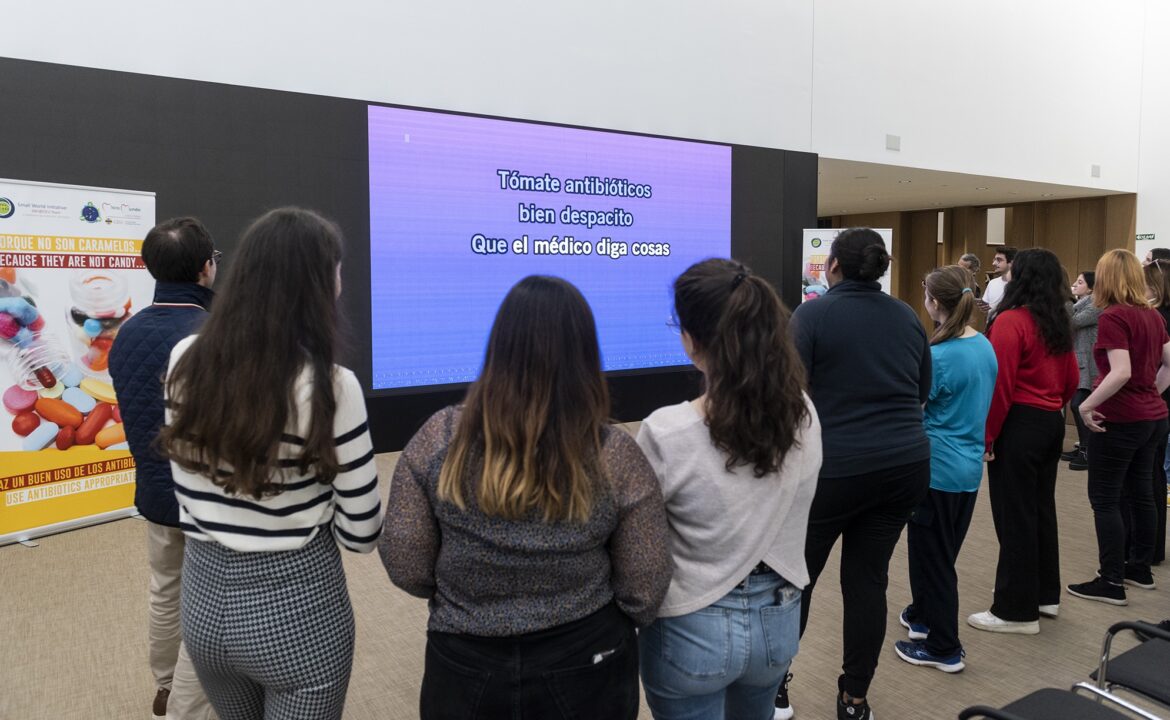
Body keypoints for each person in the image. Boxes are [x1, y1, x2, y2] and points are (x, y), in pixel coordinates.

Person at [381, 276, 671, 720]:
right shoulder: (615, 454)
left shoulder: (438, 438)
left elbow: (405, 561)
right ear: (585, 355)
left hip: (464, 662)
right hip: (588, 661)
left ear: (498, 346)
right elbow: (644, 585)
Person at [159, 208, 384, 719]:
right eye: (337, 269)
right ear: (318, 283)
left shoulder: (183, 358)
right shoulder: (332, 386)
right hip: (299, 613)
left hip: (203, 605)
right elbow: (362, 533)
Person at [635, 259, 822, 720]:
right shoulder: (804, 415)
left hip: (690, 627)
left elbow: (637, 542)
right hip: (778, 622)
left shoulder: (666, 431)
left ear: (692, 340)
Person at [788, 228, 932, 720]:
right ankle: (854, 699)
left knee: (796, 580)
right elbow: (921, 390)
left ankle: (776, 689)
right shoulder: (908, 316)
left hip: (833, 471)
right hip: (903, 466)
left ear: (832, 266)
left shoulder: (812, 314)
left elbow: (787, 398)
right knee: (868, 582)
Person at [108, 217, 218, 720]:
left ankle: (164, 685)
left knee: (164, 589)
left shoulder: (126, 334)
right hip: (207, 498)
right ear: (206, 268)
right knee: (206, 605)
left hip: (153, 490)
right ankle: (187, 707)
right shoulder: (215, 336)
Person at [968, 248, 1078, 635]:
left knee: (1014, 515)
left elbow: (999, 386)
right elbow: (1070, 380)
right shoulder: (1059, 322)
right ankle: (1046, 595)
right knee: (1041, 510)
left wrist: (988, 436)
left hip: (1019, 423)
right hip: (1050, 422)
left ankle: (1016, 610)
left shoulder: (1011, 321)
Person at [895, 266, 997, 674]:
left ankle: (944, 647)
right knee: (940, 551)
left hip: (937, 469)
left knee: (932, 558)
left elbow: (915, 409)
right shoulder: (982, 345)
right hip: (968, 470)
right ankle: (923, 615)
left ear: (934, 302)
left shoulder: (939, 356)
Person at [1067, 249, 1170, 604]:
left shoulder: (1113, 317)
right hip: (1152, 417)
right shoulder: (1151, 316)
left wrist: (1088, 406)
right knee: (1141, 492)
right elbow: (1168, 363)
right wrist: (1149, 394)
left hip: (1122, 419)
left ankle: (1110, 581)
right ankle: (1138, 569)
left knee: (1105, 499)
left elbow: (1121, 371)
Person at [1143, 259, 1170, 563]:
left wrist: (1150, 392)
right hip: (1159, 401)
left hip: (1157, 400)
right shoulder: (1157, 315)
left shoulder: (1157, 316)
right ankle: (1151, 547)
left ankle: (1147, 548)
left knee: (1148, 476)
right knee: (1154, 476)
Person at [1065, 271, 1101, 471]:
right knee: (1076, 404)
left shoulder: (1096, 304)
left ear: (1091, 287)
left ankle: (1088, 450)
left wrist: (1067, 301)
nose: (1074, 285)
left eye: (1079, 282)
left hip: (1091, 362)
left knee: (1080, 405)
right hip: (1081, 360)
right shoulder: (1082, 303)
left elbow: (1072, 322)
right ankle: (1083, 447)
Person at [977, 246, 1017, 316]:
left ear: (1011, 263)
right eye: (994, 260)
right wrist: (983, 308)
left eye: (999, 260)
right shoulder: (992, 283)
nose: (994, 263)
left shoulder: (1020, 284)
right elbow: (987, 311)